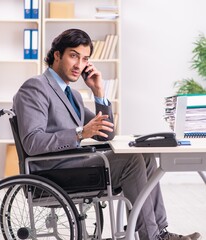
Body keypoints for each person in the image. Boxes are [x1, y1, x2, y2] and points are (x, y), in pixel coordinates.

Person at [13, 28, 201, 240]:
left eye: (85, 59)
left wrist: (98, 93)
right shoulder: (35, 87)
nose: (79, 65)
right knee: (132, 160)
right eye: (73, 56)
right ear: (57, 55)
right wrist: (80, 133)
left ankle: (160, 233)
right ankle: (152, 237)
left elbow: (105, 134)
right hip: (53, 173)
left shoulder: (71, 94)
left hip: (74, 165)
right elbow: (32, 142)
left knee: (146, 157)